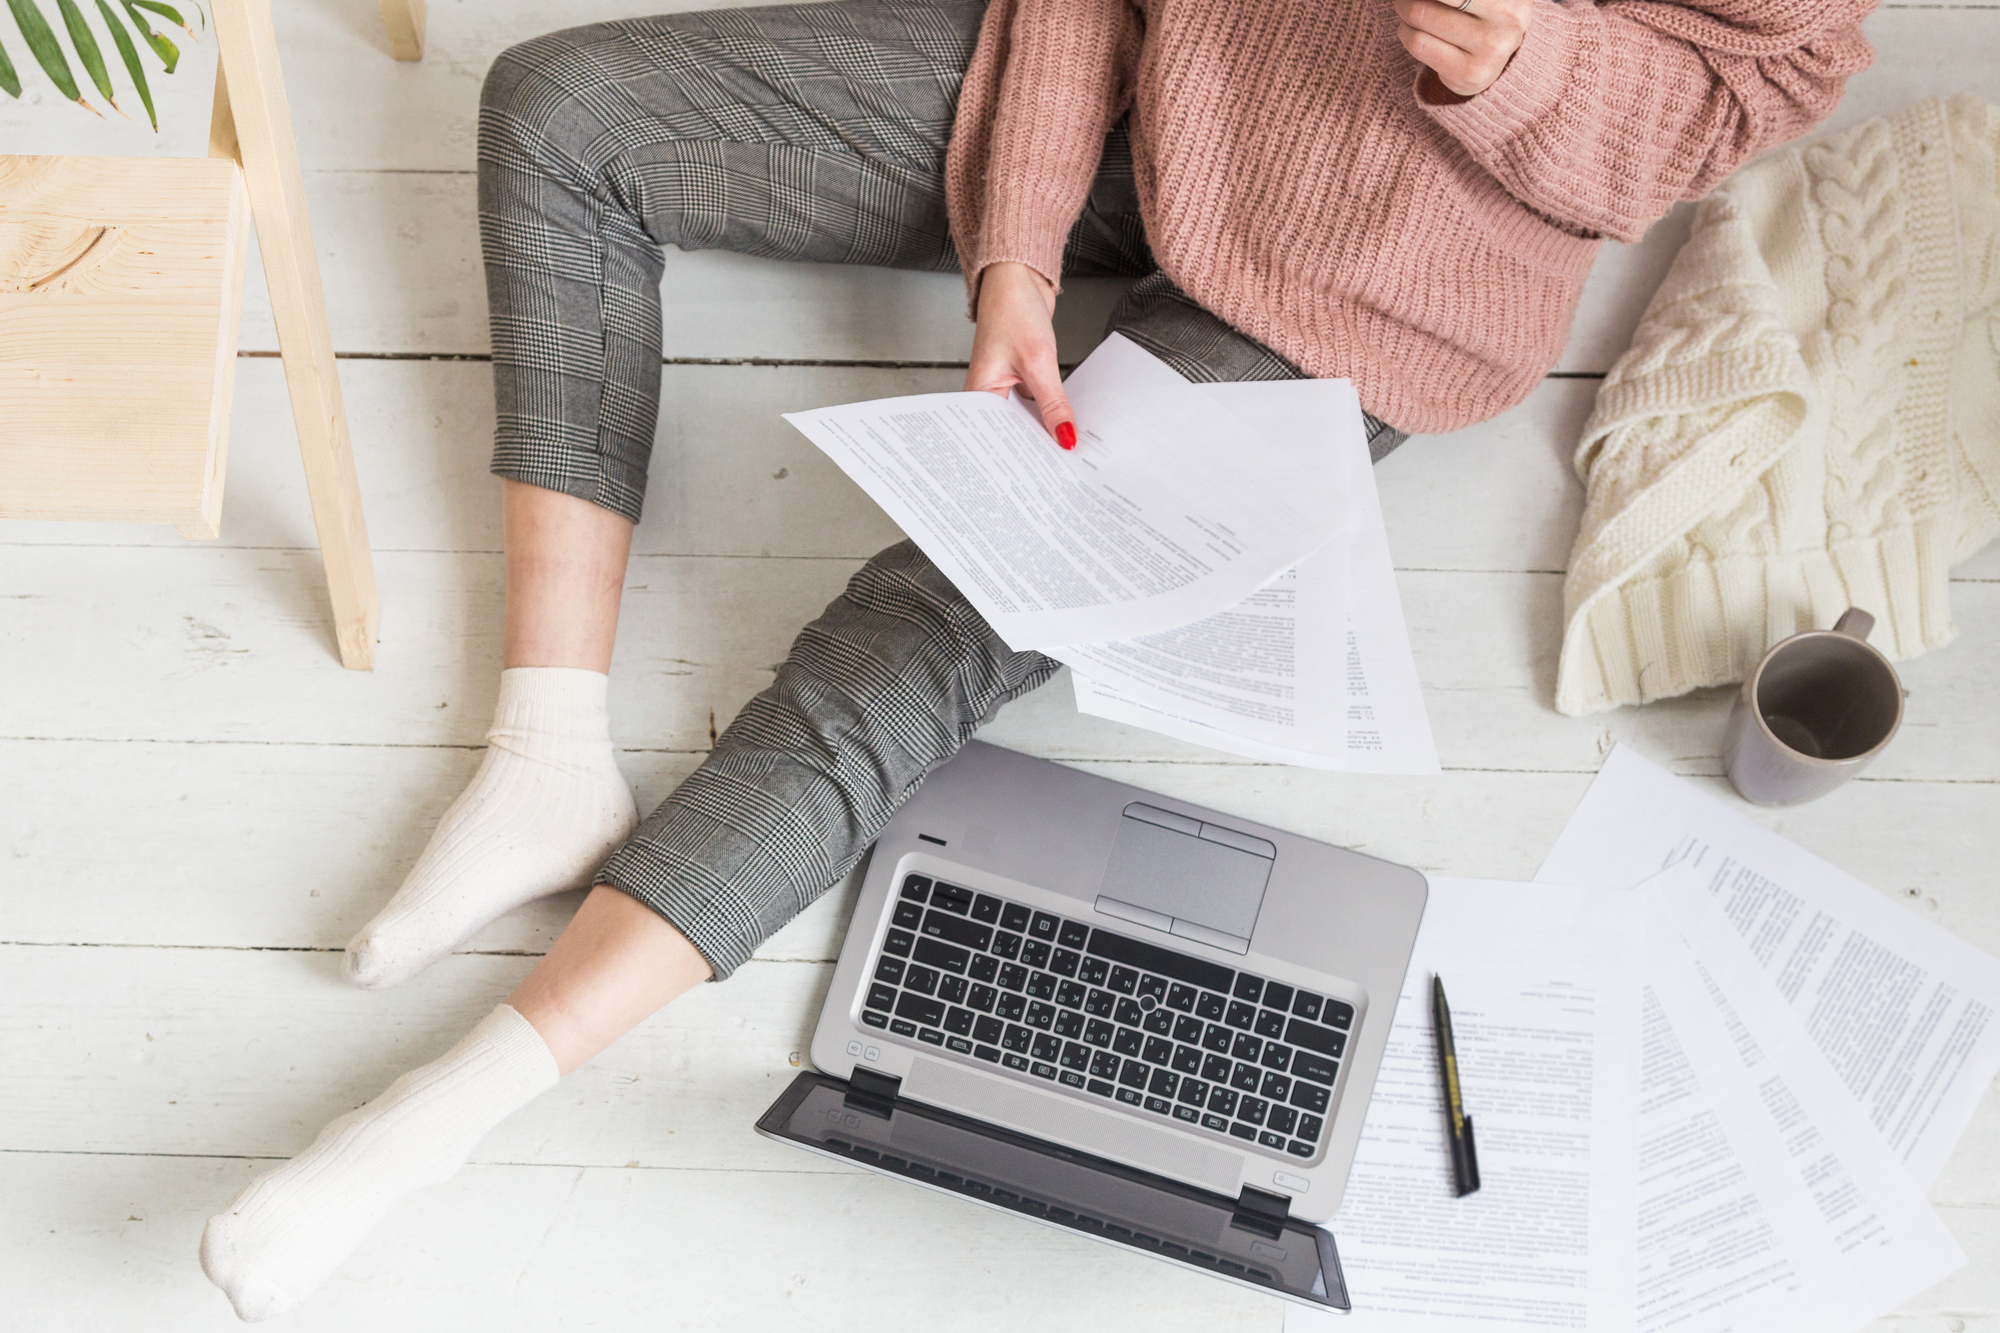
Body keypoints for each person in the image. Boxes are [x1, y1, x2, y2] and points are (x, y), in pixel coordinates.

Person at [198, 0, 1875, 1317]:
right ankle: (547, 745)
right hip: (1144, 92)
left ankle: (444, 1109)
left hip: (1376, 278)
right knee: (567, 113)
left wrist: (1538, 66)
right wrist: (1015, 244)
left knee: (926, 626)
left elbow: (1743, 82)